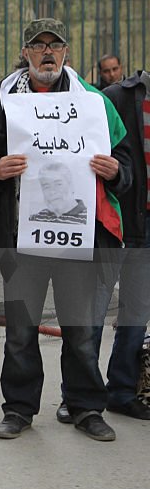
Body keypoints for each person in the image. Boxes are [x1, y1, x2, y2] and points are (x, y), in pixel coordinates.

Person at [0, 17, 132, 442]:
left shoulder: (93, 102)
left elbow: (126, 161)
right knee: (20, 331)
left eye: (55, 45)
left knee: (82, 330)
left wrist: (115, 172)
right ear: (25, 54)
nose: (47, 53)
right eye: (39, 46)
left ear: (66, 52)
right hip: (20, 238)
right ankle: (18, 409)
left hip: (80, 236)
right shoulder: (0, 101)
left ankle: (86, 408)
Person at [99, 72, 150, 419]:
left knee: (138, 310)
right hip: (126, 222)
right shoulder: (118, 97)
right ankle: (79, 397)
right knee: (94, 311)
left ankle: (120, 389)